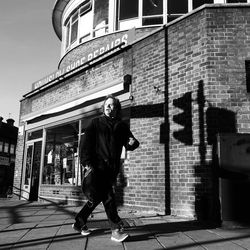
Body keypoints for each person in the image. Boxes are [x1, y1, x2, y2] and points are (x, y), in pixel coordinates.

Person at [72, 95, 139, 242]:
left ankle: (79, 221)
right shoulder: (95, 123)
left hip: (112, 169)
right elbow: (84, 145)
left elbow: (130, 143)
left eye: (114, 106)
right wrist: (86, 163)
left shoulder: (121, 126)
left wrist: (132, 143)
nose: (111, 108)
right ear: (103, 108)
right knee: (108, 197)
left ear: (118, 109)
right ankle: (116, 230)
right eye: (108, 105)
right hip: (97, 167)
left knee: (97, 197)